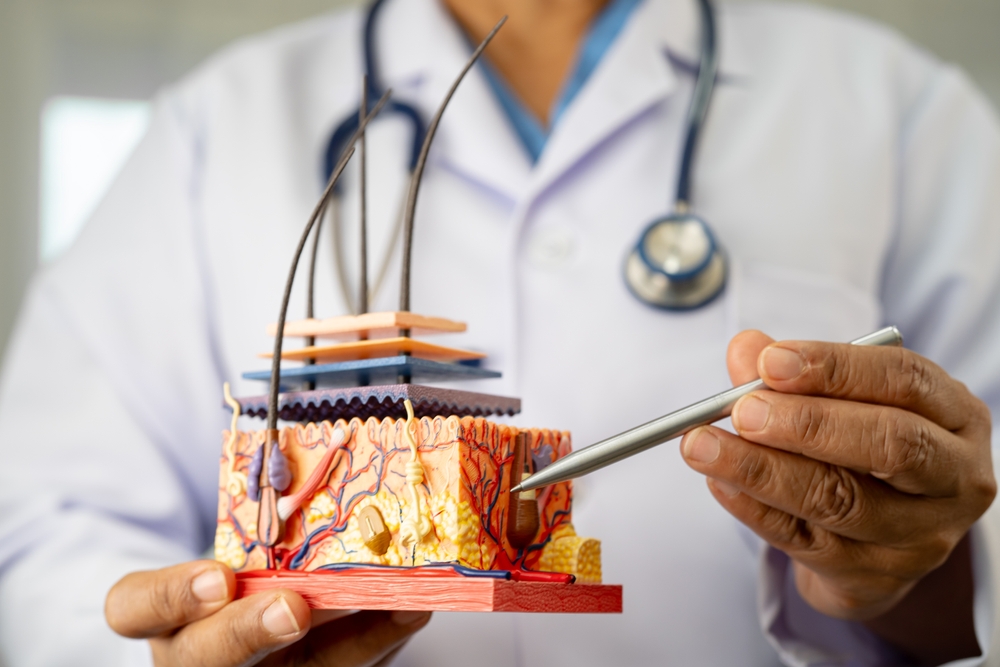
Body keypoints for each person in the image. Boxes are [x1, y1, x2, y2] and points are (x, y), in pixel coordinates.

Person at [0, 0, 998, 664]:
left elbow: (974, 534)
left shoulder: (902, 116)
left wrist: (922, 571)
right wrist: (167, 644)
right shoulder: (213, 128)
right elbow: (47, 533)